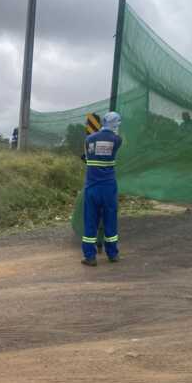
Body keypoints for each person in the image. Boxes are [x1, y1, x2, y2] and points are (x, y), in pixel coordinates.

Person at [81, 112, 122, 267]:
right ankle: (113, 254)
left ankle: (90, 257)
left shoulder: (89, 139)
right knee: (110, 220)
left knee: (90, 221)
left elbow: (87, 158)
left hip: (92, 187)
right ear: (116, 124)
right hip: (109, 187)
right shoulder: (117, 140)